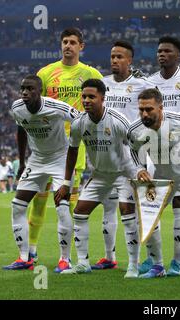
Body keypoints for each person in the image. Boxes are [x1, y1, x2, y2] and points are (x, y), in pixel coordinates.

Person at [28, 28, 103, 271]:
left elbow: (99, 107)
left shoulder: (91, 74)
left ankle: (66, 256)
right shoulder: (46, 73)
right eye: (64, 42)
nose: (67, 46)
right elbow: (35, 109)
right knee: (38, 200)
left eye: (72, 42)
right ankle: (30, 251)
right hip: (48, 145)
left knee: (68, 201)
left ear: (82, 46)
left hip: (76, 145)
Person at [55, 79, 140, 278]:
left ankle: (133, 266)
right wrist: (66, 184)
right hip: (100, 175)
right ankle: (83, 263)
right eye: (83, 96)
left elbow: (137, 146)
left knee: (127, 214)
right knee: (80, 212)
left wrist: (139, 172)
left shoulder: (117, 120)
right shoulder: (79, 123)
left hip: (123, 174)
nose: (86, 100)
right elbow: (72, 151)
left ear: (103, 98)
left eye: (91, 96)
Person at [127, 88, 180, 282]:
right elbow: (132, 150)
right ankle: (157, 265)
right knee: (148, 215)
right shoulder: (135, 129)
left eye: (149, 109)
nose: (144, 114)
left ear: (160, 107)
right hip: (162, 176)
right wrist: (139, 168)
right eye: (141, 110)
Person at [140, 36, 180, 277]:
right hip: (155, 151)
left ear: (178, 55)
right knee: (150, 208)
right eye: (159, 51)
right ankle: (155, 261)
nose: (161, 55)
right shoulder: (148, 81)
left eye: (167, 51)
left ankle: (176, 263)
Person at [2, 75, 79, 271]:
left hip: (60, 158)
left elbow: (81, 120)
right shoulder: (17, 108)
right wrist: (21, 162)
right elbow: (20, 132)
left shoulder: (56, 107)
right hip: (36, 159)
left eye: (30, 89)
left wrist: (77, 147)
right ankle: (24, 257)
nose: (25, 93)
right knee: (17, 205)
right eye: (23, 89)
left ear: (40, 91)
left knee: (62, 207)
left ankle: (65, 260)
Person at [91, 40, 152, 270]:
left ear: (130, 60)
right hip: (106, 153)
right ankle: (109, 257)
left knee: (132, 207)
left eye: (119, 57)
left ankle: (142, 259)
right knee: (108, 205)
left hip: (133, 154)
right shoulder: (102, 84)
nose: (114, 60)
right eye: (112, 56)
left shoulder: (141, 84)